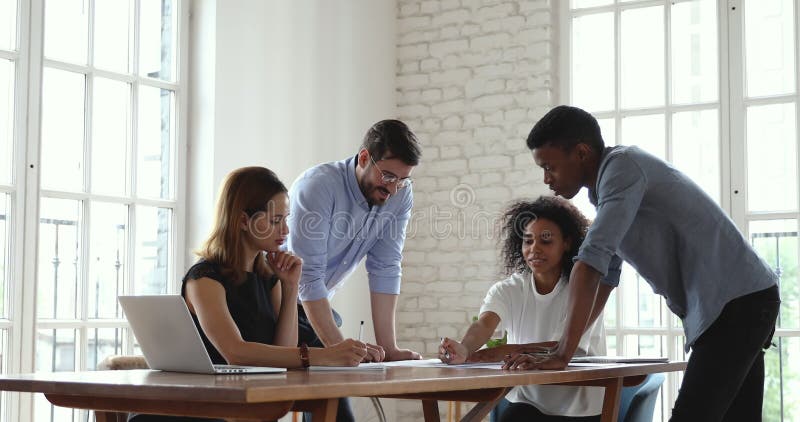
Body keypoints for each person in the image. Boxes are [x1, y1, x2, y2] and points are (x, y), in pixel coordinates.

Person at [505, 105, 780, 422]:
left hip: (737, 302)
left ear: (580, 153)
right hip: (747, 298)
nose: (546, 179)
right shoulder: (607, 189)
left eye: (550, 167)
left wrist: (563, 354)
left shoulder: (623, 168)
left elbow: (590, 262)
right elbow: (608, 273)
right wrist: (568, 345)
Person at [129, 167, 367, 422]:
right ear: (243, 220)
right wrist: (324, 355)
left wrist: (290, 288)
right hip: (198, 409)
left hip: (247, 407)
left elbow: (283, 354)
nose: (285, 230)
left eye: (286, 219)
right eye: (276, 221)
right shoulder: (205, 279)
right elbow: (236, 352)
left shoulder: (269, 279)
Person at [439, 196, 605, 422]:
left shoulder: (583, 292)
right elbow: (484, 323)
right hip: (528, 402)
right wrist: (465, 348)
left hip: (579, 408)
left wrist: (503, 352)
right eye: (528, 241)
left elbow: (560, 345)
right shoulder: (510, 289)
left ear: (566, 243)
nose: (534, 249)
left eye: (546, 241)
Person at [287, 120, 423, 364]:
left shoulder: (401, 193)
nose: (393, 189)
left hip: (312, 308)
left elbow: (386, 265)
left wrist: (388, 348)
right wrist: (339, 349)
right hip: (273, 302)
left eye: (403, 179)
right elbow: (308, 276)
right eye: (388, 175)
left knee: (333, 391)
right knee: (333, 392)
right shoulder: (318, 186)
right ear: (363, 158)